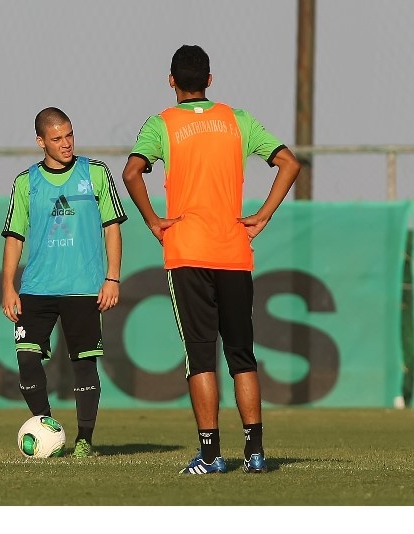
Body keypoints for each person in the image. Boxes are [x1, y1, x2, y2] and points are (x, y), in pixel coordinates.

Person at [121, 45, 300, 474]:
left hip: (187, 252)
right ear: (210, 80)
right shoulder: (238, 120)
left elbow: (130, 172)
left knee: (200, 356)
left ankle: (211, 455)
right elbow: (290, 164)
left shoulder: (161, 123)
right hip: (233, 250)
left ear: (171, 81)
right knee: (242, 355)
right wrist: (263, 215)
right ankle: (255, 454)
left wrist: (154, 221)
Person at [1, 107, 128, 458]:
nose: (66, 143)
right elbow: (14, 237)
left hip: (84, 287)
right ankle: (48, 428)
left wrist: (112, 277)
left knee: (84, 363)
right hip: (36, 288)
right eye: (57, 138)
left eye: (69, 135)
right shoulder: (26, 183)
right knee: (27, 360)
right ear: (41, 141)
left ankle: (85, 440)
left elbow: (112, 228)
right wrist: (8, 286)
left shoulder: (96, 173)